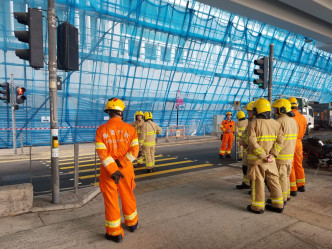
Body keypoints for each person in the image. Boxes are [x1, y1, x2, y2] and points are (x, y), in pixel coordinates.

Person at [95, 98, 139, 243]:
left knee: (111, 201)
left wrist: (113, 169)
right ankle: (132, 224)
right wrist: (121, 163)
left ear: (108, 112)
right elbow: (134, 151)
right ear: (121, 112)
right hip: (126, 170)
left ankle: (115, 234)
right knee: (128, 196)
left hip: (108, 172)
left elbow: (102, 153)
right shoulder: (130, 129)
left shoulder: (101, 130)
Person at [246, 98, 284, 214]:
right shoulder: (276, 124)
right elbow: (280, 141)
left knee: (258, 183)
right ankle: (278, 205)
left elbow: (252, 142)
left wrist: (263, 156)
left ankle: (257, 207)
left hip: (257, 161)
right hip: (271, 161)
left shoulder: (253, 124)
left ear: (257, 110)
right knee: (274, 182)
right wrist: (272, 155)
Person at [272, 98, 298, 204]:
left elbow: (276, 140)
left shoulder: (279, 122)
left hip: (280, 155)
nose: (274, 111)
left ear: (281, 109)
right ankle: (286, 196)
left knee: (280, 178)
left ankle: (281, 199)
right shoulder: (293, 121)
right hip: (289, 154)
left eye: (275, 109)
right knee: (286, 177)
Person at [288, 97, 307, 196]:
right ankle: (301, 185)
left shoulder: (290, 117)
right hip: (299, 142)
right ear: (297, 105)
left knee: (290, 165)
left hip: (291, 142)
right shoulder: (302, 117)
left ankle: (293, 188)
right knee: (299, 163)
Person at [236, 101, 255, 190]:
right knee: (245, 167)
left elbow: (252, 138)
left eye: (249, 111)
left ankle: (253, 187)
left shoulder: (256, 123)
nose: (248, 113)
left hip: (253, 151)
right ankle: (246, 183)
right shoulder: (249, 122)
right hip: (247, 149)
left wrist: (242, 141)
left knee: (252, 170)